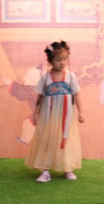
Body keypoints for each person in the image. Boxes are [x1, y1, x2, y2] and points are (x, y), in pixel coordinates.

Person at [25, 41, 85, 182]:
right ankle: (45, 170)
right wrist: (35, 112)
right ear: (51, 60)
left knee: (66, 138)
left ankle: (67, 168)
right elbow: (40, 96)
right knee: (48, 139)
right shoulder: (45, 77)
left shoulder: (71, 77)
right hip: (49, 116)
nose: (62, 63)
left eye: (65, 59)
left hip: (66, 116)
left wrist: (81, 111)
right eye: (58, 60)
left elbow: (76, 94)